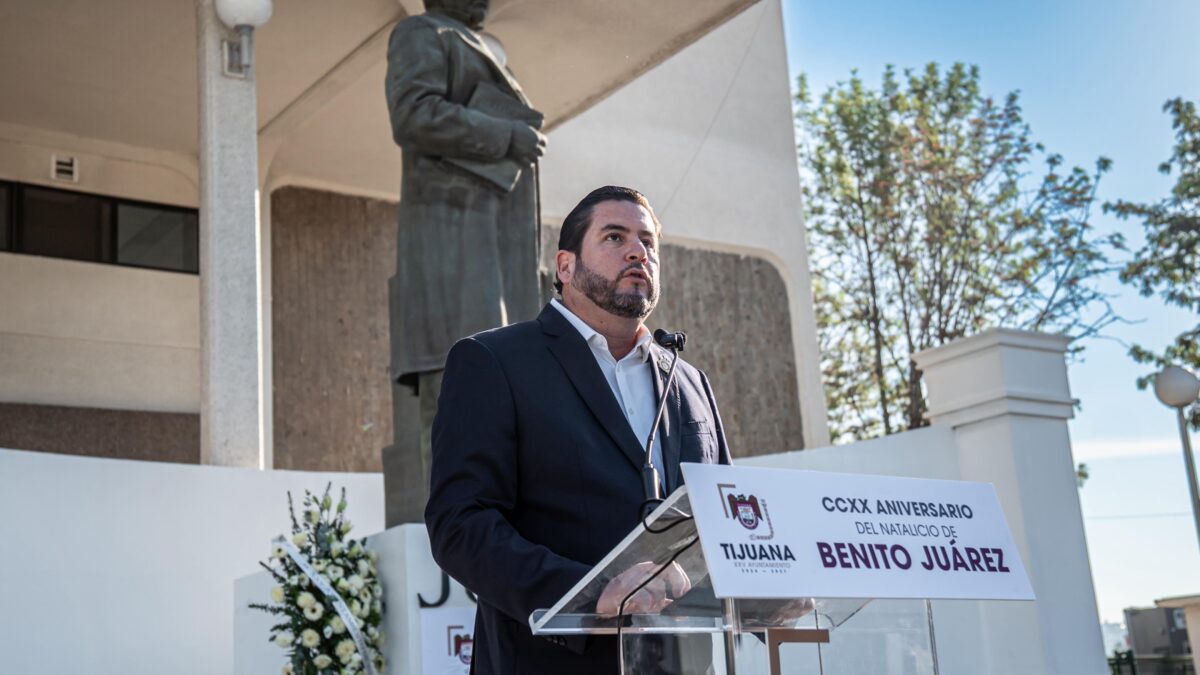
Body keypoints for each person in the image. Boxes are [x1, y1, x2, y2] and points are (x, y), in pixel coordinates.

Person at [425, 186, 731, 674]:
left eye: (648, 242)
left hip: (682, 662)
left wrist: (767, 587)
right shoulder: (494, 362)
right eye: (615, 236)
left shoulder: (688, 380)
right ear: (564, 267)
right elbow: (461, 525)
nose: (638, 252)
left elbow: (719, 523)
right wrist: (588, 593)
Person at [384, 0, 548, 518]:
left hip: (498, 252)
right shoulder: (421, 32)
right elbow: (413, 113)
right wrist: (507, 135)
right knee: (461, 379)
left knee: (507, 384)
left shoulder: (479, 45)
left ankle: (507, 514)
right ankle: (462, 523)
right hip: (455, 244)